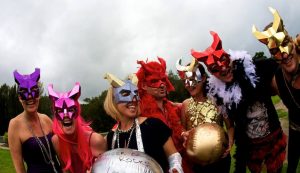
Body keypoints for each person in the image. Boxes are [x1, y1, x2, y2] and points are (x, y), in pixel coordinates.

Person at [191, 31, 286, 173]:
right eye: (216, 69)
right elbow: (229, 125)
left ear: (229, 58)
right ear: (211, 73)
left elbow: (281, 77)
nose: (223, 68)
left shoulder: (254, 69)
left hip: (273, 138)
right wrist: (229, 142)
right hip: (251, 147)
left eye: (224, 61)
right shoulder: (218, 94)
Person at [103, 73, 183, 173]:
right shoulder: (111, 137)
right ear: (113, 100)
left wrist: (175, 168)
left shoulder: (154, 125)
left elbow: (174, 156)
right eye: (125, 94)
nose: (133, 99)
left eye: (136, 93)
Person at [253, 7, 300, 173]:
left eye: (285, 44)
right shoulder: (276, 79)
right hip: (296, 129)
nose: (284, 55)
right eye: (275, 51)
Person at [176, 58, 234, 173]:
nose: (189, 85)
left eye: (192, 80)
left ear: (202, 78)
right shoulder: (185, 104)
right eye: (185, 81)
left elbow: (230, 126)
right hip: (197, 163)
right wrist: (184, 134)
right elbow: (183, 127)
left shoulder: (217, 101)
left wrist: (230, 143)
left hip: (220, 159)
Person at [135, 57, 192, 173]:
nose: (162, 85)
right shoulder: (139, 112)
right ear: (144, 86)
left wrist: (183, 134)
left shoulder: (172, 107)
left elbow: (177, 128)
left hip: (180, 163)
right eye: (154, 81)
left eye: (163, 80)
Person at [8, 68, 61, 173]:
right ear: (19, 97)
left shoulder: (46, 119)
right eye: (24, 95)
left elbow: (63, 150)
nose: (30, 98)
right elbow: (19, 168)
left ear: (39, 95)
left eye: (34, 92)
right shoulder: (14, 125)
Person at [48, 82, 106, 173]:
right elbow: (65, 169)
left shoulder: (96, 140)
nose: (66, 115)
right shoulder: (56, 141)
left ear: (77, 112)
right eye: (60, 111)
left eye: (71, 110)